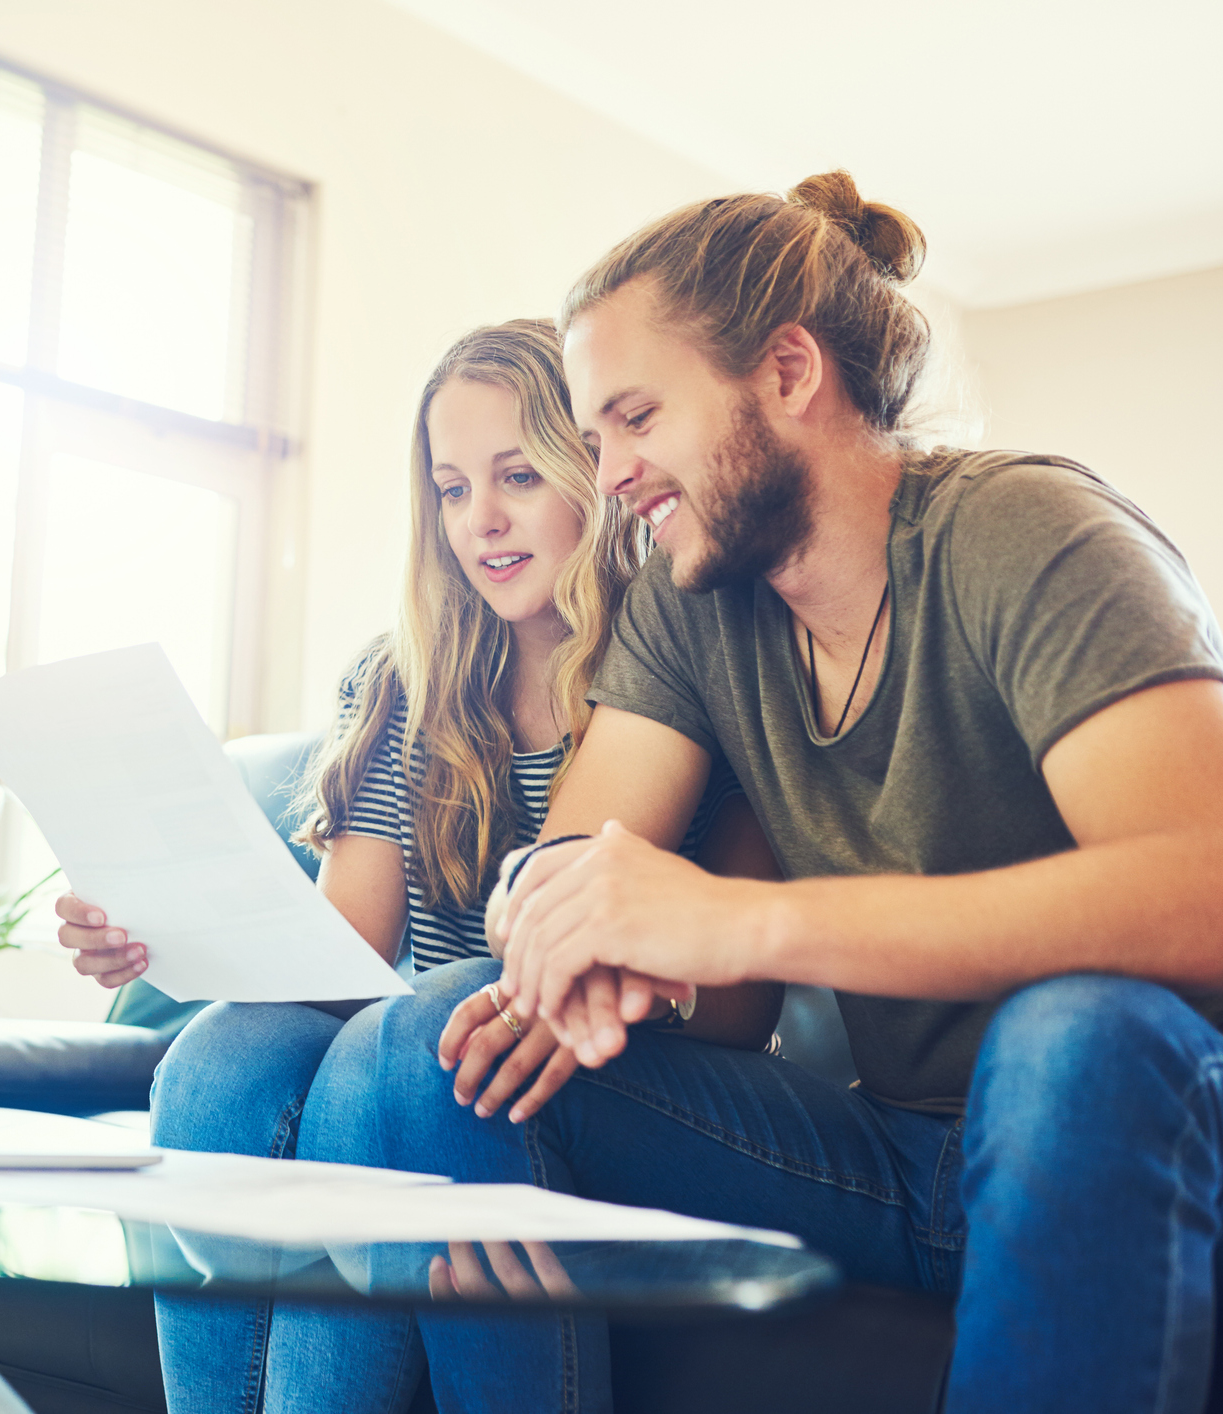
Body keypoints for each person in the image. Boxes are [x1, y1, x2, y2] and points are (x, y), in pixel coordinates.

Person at [349, 171, 1223, 1412]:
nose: (607, 470)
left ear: (787, 375)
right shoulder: (691, 608)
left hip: (1171, 1125)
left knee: (1071, 1037)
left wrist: (738, 921)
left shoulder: (1027, 534)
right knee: (437, 1044)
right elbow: (571, 866)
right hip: (895, 1153)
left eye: (633, 416)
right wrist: (558, 924)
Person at [53, 318, 781, 1412]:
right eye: (449, 488)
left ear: (593, 468)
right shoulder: (405, 680)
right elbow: (348, 948)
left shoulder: (678, 666)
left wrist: (603, 980)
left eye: (518, 475)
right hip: (419, 1044)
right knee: (218, 1057)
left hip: (571, 1055)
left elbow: (741, 1012)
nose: (478, 519)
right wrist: (172, 927)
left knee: (389, 1054)